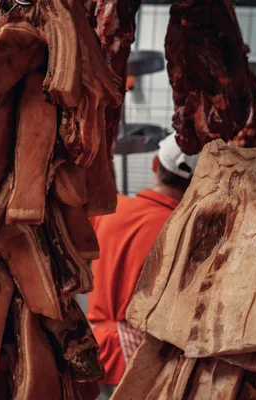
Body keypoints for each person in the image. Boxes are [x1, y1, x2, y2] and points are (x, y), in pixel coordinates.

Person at [87, 134, 200, 398]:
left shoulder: (111, 211)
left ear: (154, 164)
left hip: (94, 353)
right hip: (145, 362)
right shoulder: (186, 232)